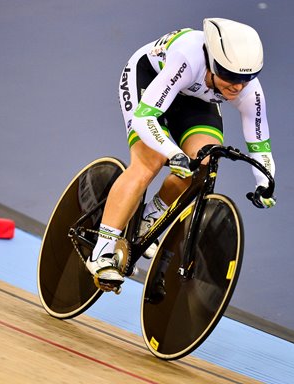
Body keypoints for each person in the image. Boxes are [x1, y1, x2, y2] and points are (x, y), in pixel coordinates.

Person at [86, 17, 277, 290]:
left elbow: (260, 144)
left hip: (196, 99)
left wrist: (264, 183)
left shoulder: (248, 90)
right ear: (212, 64)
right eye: (231, 77)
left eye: (245, 80)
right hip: (150, 80)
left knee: (203, 163)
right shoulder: (187, 57)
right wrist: (171, 152)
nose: (237, 87)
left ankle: (148, 219)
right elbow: (145, 118)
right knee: (149, 163)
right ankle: (101, 252)